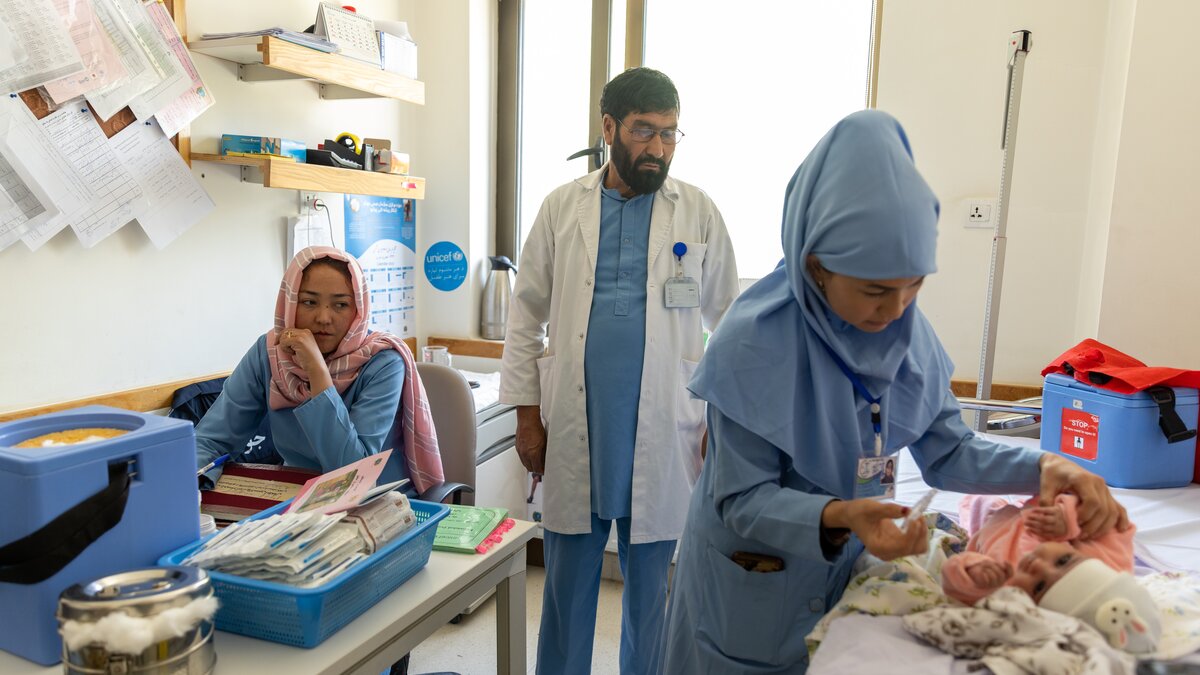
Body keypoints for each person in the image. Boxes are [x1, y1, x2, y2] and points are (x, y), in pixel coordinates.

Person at [661, 110, 1129, 673]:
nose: (896, 309)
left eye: (915, 285)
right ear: (816, 266)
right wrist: (840, 515)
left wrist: (1047, 467)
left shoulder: (908, 336)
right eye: (875, 290)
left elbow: (950, 451)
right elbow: (741, 499)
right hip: (751, 584)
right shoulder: (752, 344)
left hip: (848, 580)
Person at [500, 66, 739, 675]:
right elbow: (525, 315)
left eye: (670, 133)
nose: (658, 147)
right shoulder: (562, 208)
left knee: (652, 593)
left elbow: (733, 323)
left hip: (665, 425)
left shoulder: (698, 211)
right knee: (566, 586)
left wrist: (721, 419)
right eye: (644, 131)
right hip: (577, 424)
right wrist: (526, 417)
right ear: (609, 128)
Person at [195, 246, 443, 496]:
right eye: (309, 302)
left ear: (358, 310)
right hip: (297, 498)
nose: (324, 318)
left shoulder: (384, 362)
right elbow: (211, 440)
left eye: (341, 304)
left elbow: (353, 475)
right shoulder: (270, 353)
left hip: (378, 502)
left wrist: (317, 372)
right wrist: (187, 483)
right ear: (290, 303)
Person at [942, 494, 1159, 653]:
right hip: (1042, 510)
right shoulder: (1107, 563)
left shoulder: (1007, 594)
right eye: (1063, 561)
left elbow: (956, 589)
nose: (1037, 566)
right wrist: (1069, 519)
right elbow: (1112, 517)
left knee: (977, 501)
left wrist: (974, 573)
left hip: (990, 527)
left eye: (1039, 586)